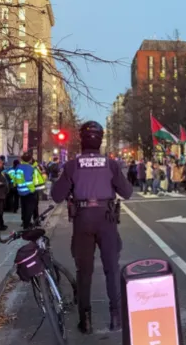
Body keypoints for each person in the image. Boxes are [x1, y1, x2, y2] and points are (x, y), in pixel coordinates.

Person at [51, 121, 133, 334]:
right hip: (106, 219)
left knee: (84, 271)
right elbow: (127, 192)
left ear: (81, 140)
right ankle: (115, 316)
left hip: (82, 219)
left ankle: (85, 320)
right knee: (111, 269)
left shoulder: (72, 165)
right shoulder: (111, 164)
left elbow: (56, 195)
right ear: (101, 140)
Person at [12, 152, 43, 229]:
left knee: (24, 208)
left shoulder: (18, 167)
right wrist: (32, 190)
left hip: (21, 191)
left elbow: (15, 178)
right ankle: (27, 225)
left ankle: (25, 223)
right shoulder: (30, 168)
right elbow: (29, 181)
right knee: (30, 209)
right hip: (29, 192)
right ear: (30, 160)